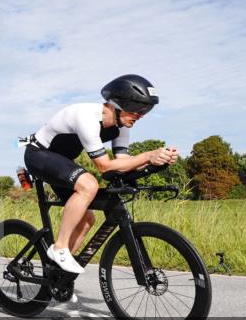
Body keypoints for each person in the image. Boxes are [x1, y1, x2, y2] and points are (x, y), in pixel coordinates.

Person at [21, 75, 178, 274]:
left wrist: (156, 161)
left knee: (87, 220)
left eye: (146, 110)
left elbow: (122, 164)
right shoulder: (87, 117)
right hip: (39, 155)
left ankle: (57, 276)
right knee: (89, 185)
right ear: (119, 104)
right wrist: (147, 155)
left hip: (62, 163)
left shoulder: (120, 128)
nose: (141, 115)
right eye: (138, 109)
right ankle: (59, 247)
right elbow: (105, 166)